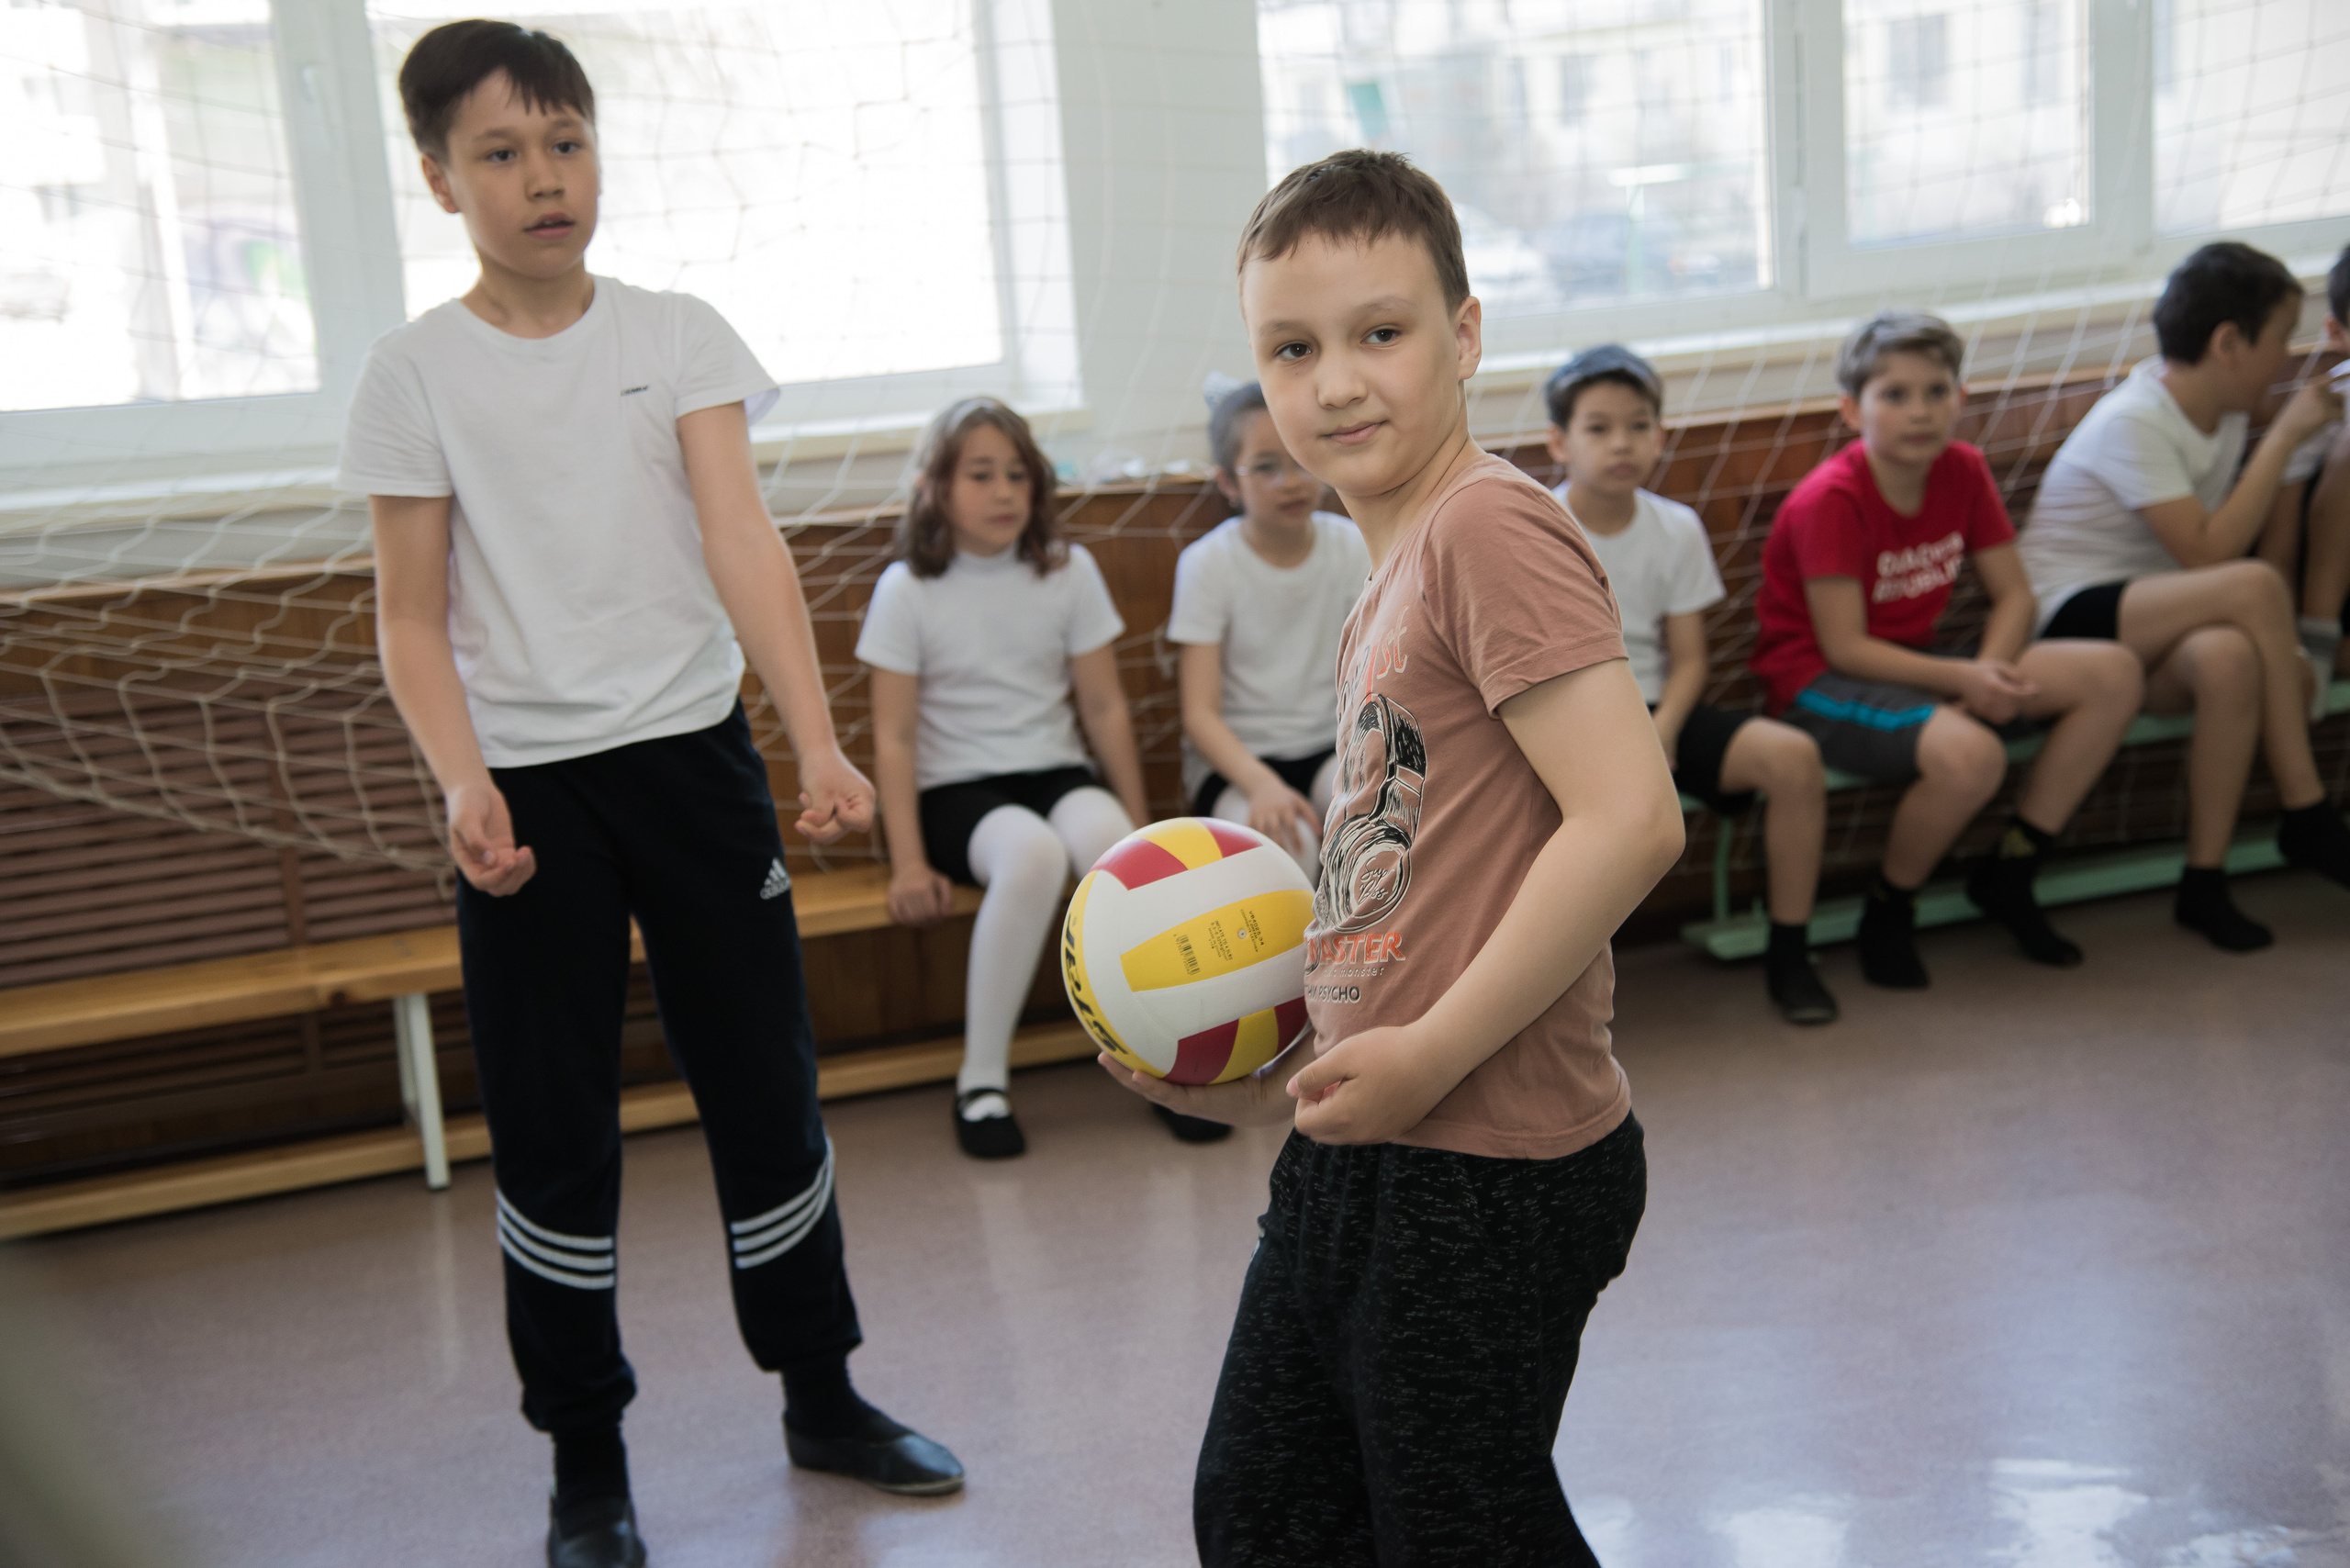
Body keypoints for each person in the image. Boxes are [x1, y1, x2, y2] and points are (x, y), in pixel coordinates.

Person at [341, 22, 961, 1568]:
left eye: (566, 143)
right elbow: (409, 613)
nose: (543, 179)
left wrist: (813, 743)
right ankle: (586, 1464)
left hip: (695, 770)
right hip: (531, 805)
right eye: (501, 153)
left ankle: (822, 1391)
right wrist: (463, 781)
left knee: (768, 1085)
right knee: (555, 1130)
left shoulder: (678, 331)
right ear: (439, 179)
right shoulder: (412, 371)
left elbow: (743, 540)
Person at [1102, 148, 1684, 1567]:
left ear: (1467, 335)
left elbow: (1633, 819)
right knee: (1270, 1508)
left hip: (1492, 1168)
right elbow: (1418, 891)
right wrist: (1244, 1041)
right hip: (1377, 1147)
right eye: (1293, 349)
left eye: (1383, 332)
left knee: (1449, 1527)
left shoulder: (1488, 529)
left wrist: (1428, 1058)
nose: (1338, 382)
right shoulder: (1398, 565)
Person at [857, 397, 1225, 1156]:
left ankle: (1161, 1060)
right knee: (1030, 857)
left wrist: (1138, 823)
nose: (1003, 493)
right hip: (957, 794)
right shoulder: (908, 589)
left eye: (1017, 476)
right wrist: (909, 861)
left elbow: (1103, 706)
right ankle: (981, 1081)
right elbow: (892, 738)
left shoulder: (1068, 570)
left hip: (1056, 771)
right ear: (936, 487)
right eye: (981, 475)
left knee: (1117, 855)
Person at [1751, 311, 2145, 988]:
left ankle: (2013, 869)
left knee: (2111, 673)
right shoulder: (1832, 500)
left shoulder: (1963, 468)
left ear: (1961, 399)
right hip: (1819, 683)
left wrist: (1988, 670)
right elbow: (1844, 647)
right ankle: (1889, 910)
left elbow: (2015, 596)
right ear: (1852, 409)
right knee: (1972, 757)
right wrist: (1966, 682)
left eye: (1937, 391)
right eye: (1895, 395)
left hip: (1926, 662)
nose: (1921, 411)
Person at [2019, 241, 2350, 950]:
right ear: (2229, 343)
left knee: (2230, 659)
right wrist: (2286, 435)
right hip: (2065, 617)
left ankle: (2203, 880)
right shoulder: (2135, 419)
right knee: (2255, 584)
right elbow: (2208, 553)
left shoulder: (2225, 414)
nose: (2289, 359)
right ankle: (2308, 808)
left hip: (2154, 612)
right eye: (2279, 341)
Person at [1545, 343, 1839, 1025]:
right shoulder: (1535, 526)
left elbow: (1691, 660)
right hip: (1574, 717)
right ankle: (1559, 990)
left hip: (1657, 708)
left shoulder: (1676, 527)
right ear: (1559, 442)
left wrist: (1664, 728)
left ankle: (1790, 951)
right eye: (1599, 427)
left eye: (1639, 425)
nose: (1622, 443)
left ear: (1660, 435)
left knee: (1793, 759)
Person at [1169, 378, 1371, 882]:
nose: (1291, 480)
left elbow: (1374, 670)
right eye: (1265, 466)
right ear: (1228, 483)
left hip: (1332, 749)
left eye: (1302, 457)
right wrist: (1261, 785)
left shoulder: (1350, 545)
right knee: (1290, 854)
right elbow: (1199, 715)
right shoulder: (1208, 564)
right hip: (1237, 767)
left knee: (1376, 830)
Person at [2254, 240, 2350, 692]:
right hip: (2327, 598)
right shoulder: (2321, 410)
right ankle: (2322, 642)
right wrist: (2295, 643)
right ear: (2337, 333)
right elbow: (2280, 549)